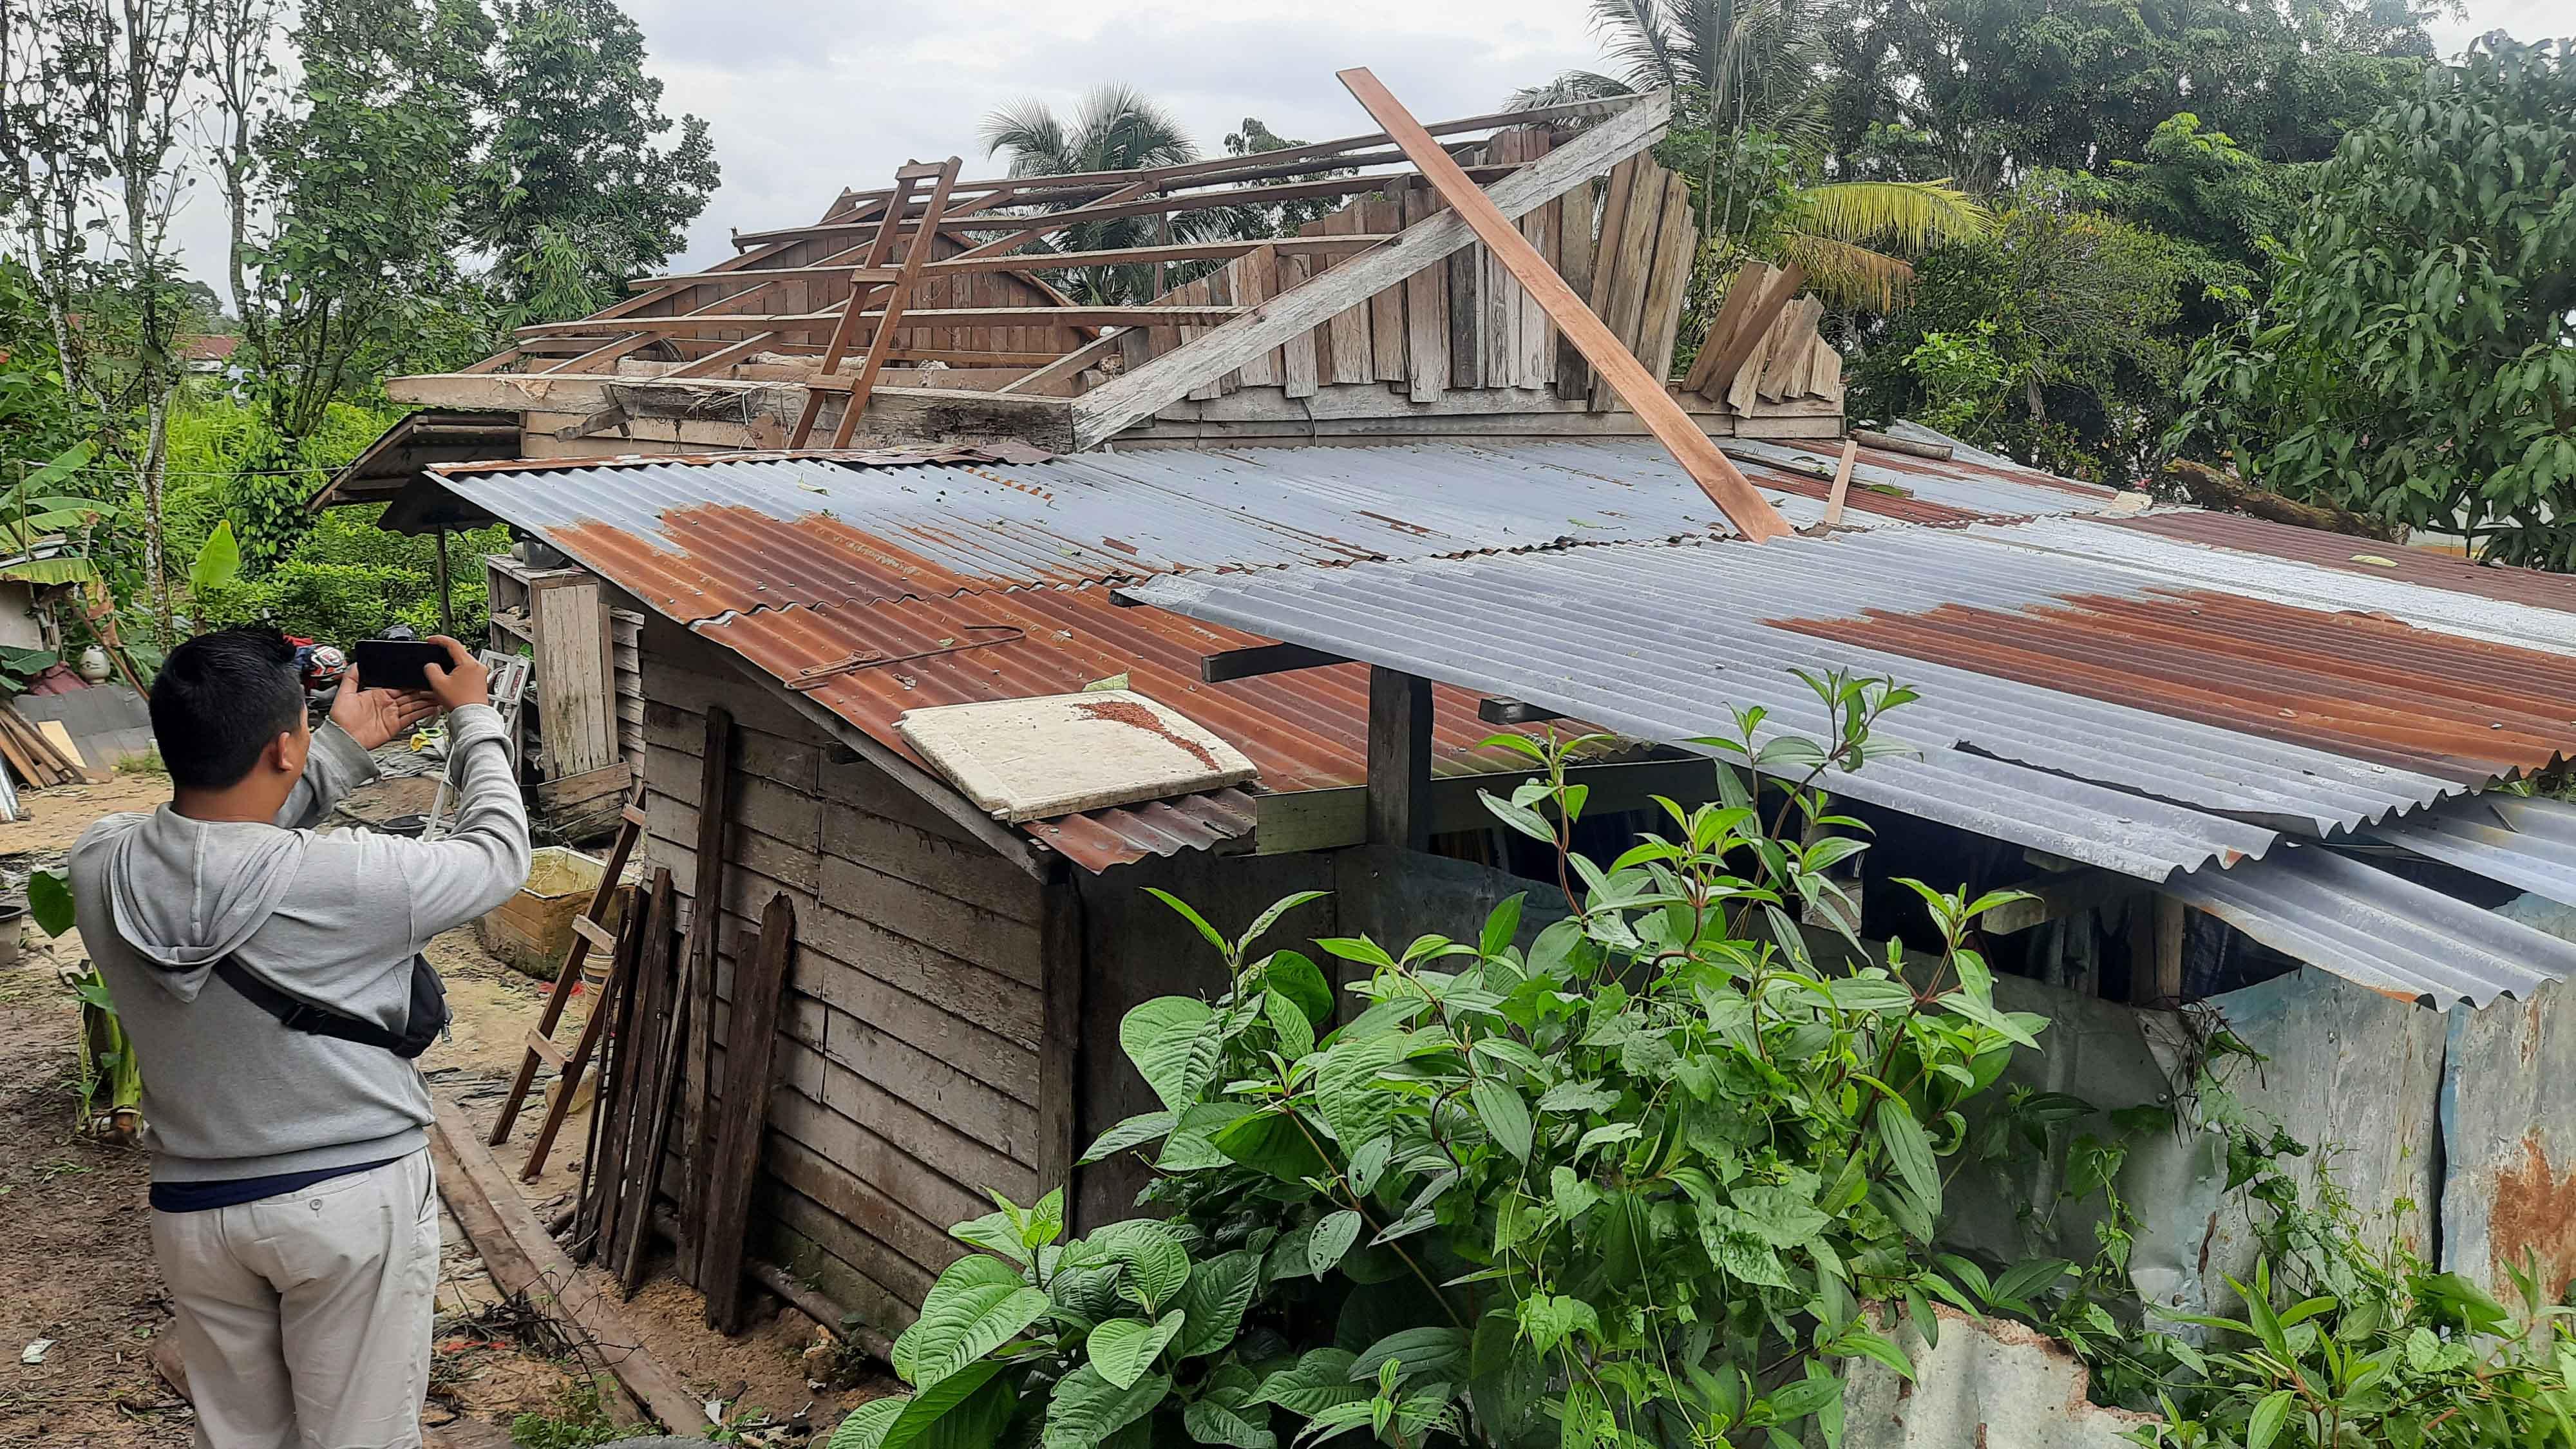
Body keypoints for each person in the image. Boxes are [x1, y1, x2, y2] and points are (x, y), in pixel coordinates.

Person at [70, 629, 531, 1448]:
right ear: (285, 746)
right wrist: (476, 720)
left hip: (193, 1210)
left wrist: (343, 745)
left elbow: (217, 840)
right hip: (345, 1202)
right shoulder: (346, 879)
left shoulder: (99, 863)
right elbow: (497, 855)